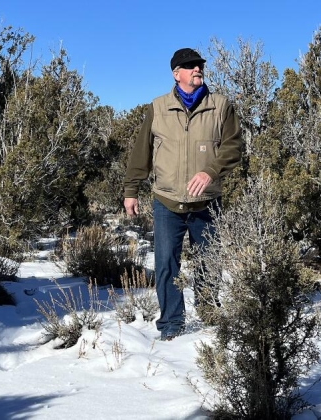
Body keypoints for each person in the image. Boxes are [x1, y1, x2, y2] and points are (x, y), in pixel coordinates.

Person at [123, 47, 243, 341]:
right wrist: (131, 190)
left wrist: (210, 172)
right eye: (190, 66)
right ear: (176, 74)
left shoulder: (220, 106)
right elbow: (142, 152)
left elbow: (234, 147)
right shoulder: (159, 107)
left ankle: (211, 319)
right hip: (167, 201)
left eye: (199, 65)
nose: (197, 69)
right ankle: (172, 325)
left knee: (209, 263)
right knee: (166, 266)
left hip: (207, 203)